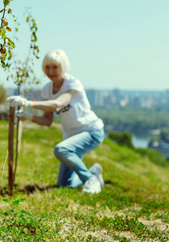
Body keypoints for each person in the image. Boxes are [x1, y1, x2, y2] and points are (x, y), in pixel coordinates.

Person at [7, 49, 105, 194]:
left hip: (91, 131)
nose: (51, 71)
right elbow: (47, 120)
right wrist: (29, 116)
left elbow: (58, 104)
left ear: (62, 67)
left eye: (55, 67)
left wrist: (27, 103)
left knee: (61, 149)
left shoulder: (72, 84)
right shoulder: (47, 89)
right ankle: (93, 172)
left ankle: (90, 179)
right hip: (71, 138)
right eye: (47, 67)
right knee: (65, 184)